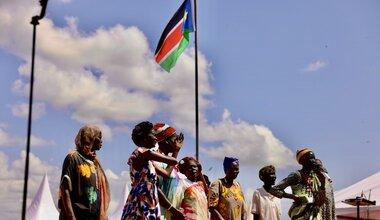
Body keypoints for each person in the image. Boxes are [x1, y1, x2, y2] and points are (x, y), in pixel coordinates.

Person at [121, 121, 179, 220]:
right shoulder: (143, 152)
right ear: (145, 138)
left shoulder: (148, 160)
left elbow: (166, 173)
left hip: (148, 197)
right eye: (153, 134)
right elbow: (173, 161)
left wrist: (175, 150)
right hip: (142, 199)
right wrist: (175, 150)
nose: (156, 138)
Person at [58, 125, 110, 220]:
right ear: (90, 138)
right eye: (99, 138)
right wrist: (71, 217)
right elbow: (65, 189)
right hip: (76, 216)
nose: (101, 141)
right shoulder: (73, 158)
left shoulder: (94, 163)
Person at [270, 148, 323, 220]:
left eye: (314, 158)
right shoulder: (296, 175)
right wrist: (293, 197)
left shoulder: (316, 175)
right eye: (310, 159)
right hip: (300, 214)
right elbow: (274, 189)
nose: (313, 161)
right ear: (302, 161)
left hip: (314, 214)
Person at [152, 122, 186, 220]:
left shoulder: (170, 162)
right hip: (160, 214)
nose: (178, 142)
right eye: (175, 139)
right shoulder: (155, 159)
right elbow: (155, 188)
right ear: (165, 141)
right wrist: (172, 209)